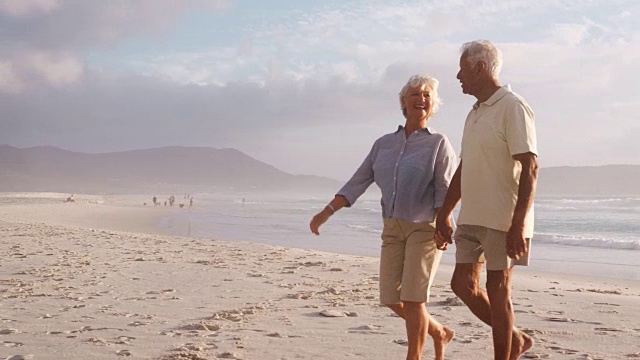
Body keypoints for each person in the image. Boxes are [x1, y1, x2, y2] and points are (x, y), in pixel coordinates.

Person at [309, 74, 457, 360]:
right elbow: (358, 181)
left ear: (433, 104)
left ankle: (413, 356)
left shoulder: (438, 143)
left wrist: (444, 221)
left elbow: (446, 187)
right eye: (415, 94)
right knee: (391, 298)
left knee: (414, 299)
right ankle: (439, 331)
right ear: (404, 101)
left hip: (424, 228)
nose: (422, 99)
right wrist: (327, 212)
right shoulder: (383, 144)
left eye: (427, 95)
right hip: (392, 228)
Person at [434, 40, 538, 360]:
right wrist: (445, 213)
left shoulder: (513, 106)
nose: (457, 75)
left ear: (480, 67)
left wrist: (518, 223)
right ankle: (515, 339)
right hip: (472, 216)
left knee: (498, 290)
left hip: (502, 218)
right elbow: (466, 168)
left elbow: (530, 166)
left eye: (462, 68)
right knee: (462, 285)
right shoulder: (474, 112)